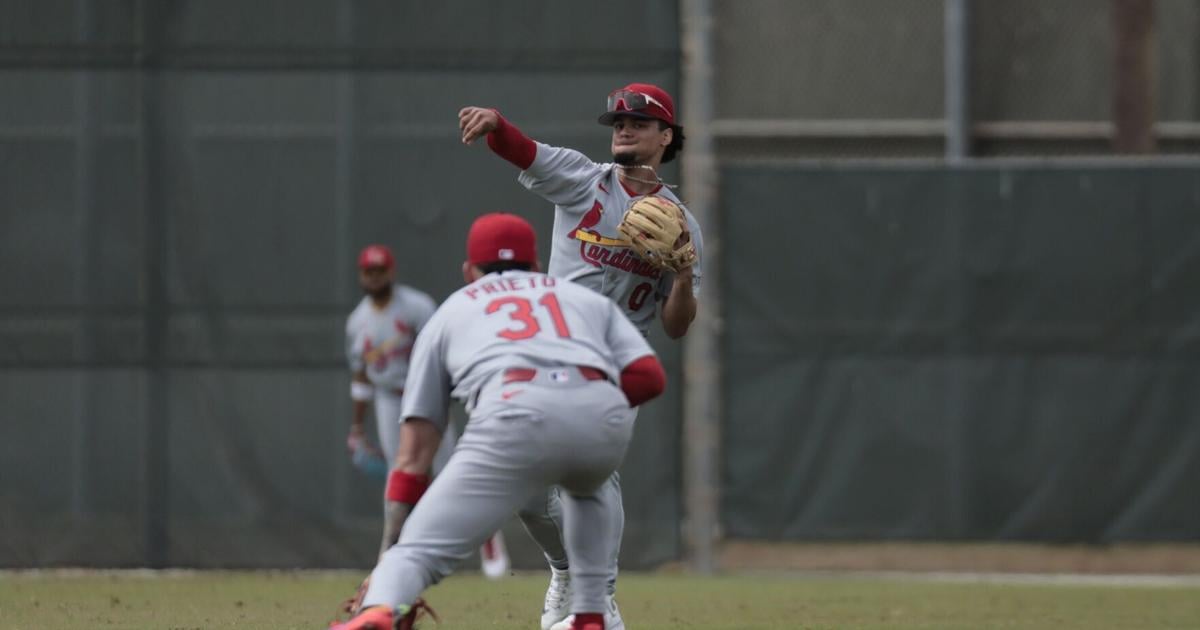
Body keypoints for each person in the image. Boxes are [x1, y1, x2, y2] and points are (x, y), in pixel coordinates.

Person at [332, 213, 667, 630]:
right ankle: (592, 613)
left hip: (512, 412)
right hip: (598, 413)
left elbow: (414, 456)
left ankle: (380, 609)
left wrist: (388, 559)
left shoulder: (451, 310)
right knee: (587, 486)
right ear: (537, 265)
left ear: (469, 271)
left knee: (415, 556)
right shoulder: (579, 298)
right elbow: (649, 377)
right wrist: (592, 405)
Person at [458, 82, 703, 629]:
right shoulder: (584, 180)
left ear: (666, 136)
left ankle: (600, 593)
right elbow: (525, 151)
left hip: (616, 361)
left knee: (591, 472)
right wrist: (496, 121)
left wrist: (683, 273)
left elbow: (678, 325)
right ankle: (566, 568)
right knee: (526, 489)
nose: (623, 128)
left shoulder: (683, 226)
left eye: (638, 122)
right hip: (550, 346)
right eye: (618, 121)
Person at [345, 244, 509, 577]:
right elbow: (361, 377)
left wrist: (444, 394)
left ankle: (488, 537)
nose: (375, 277)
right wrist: (357, 427)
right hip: (389, 398)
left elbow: (441, 351)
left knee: (451, 471)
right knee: (400, 474)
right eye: (369, 272)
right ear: (362, 276)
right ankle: (396, 555)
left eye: (380, 271)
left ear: (391, 272)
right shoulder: (357, 322)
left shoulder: (416, 306)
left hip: (423, 392)